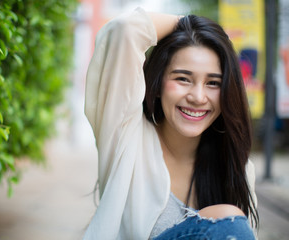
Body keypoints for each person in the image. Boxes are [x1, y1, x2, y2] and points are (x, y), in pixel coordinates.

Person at [84, 7, 259, 240]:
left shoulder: (237, 166)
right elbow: (125, 30)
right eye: (183, 79)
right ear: (156, 85)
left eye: (213, 83)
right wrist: (190, 24)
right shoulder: (125, 135)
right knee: (228, 220)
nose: (198, 96)